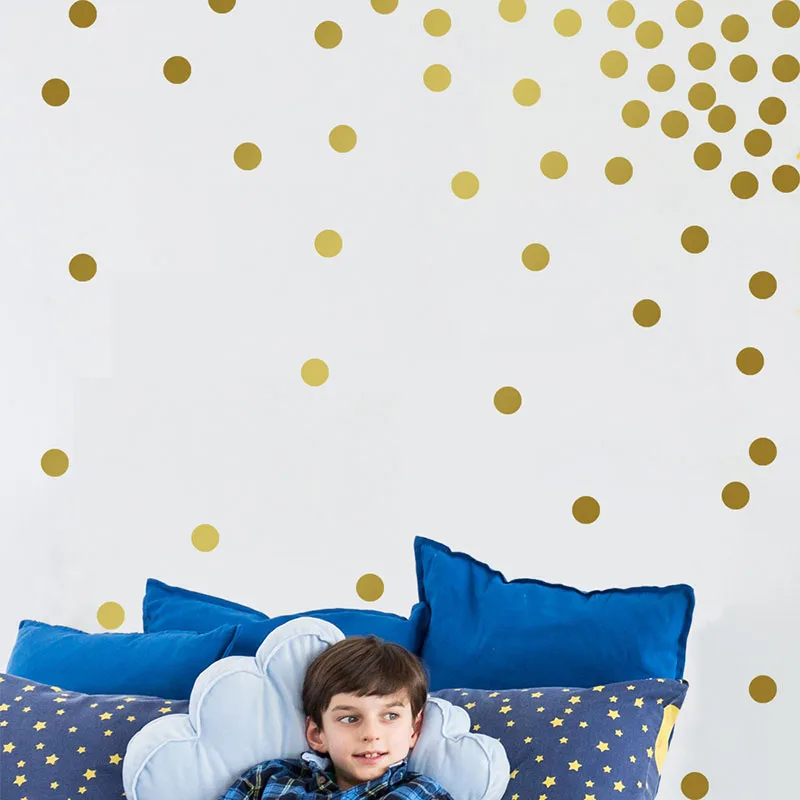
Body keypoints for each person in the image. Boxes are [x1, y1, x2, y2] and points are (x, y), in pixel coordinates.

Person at [218, 634, 457, 799]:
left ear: (414, 729)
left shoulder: (423, 794)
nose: (371, 734)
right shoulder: (268, 779)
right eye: (350, 719)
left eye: (390, 716)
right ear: (317, 734)